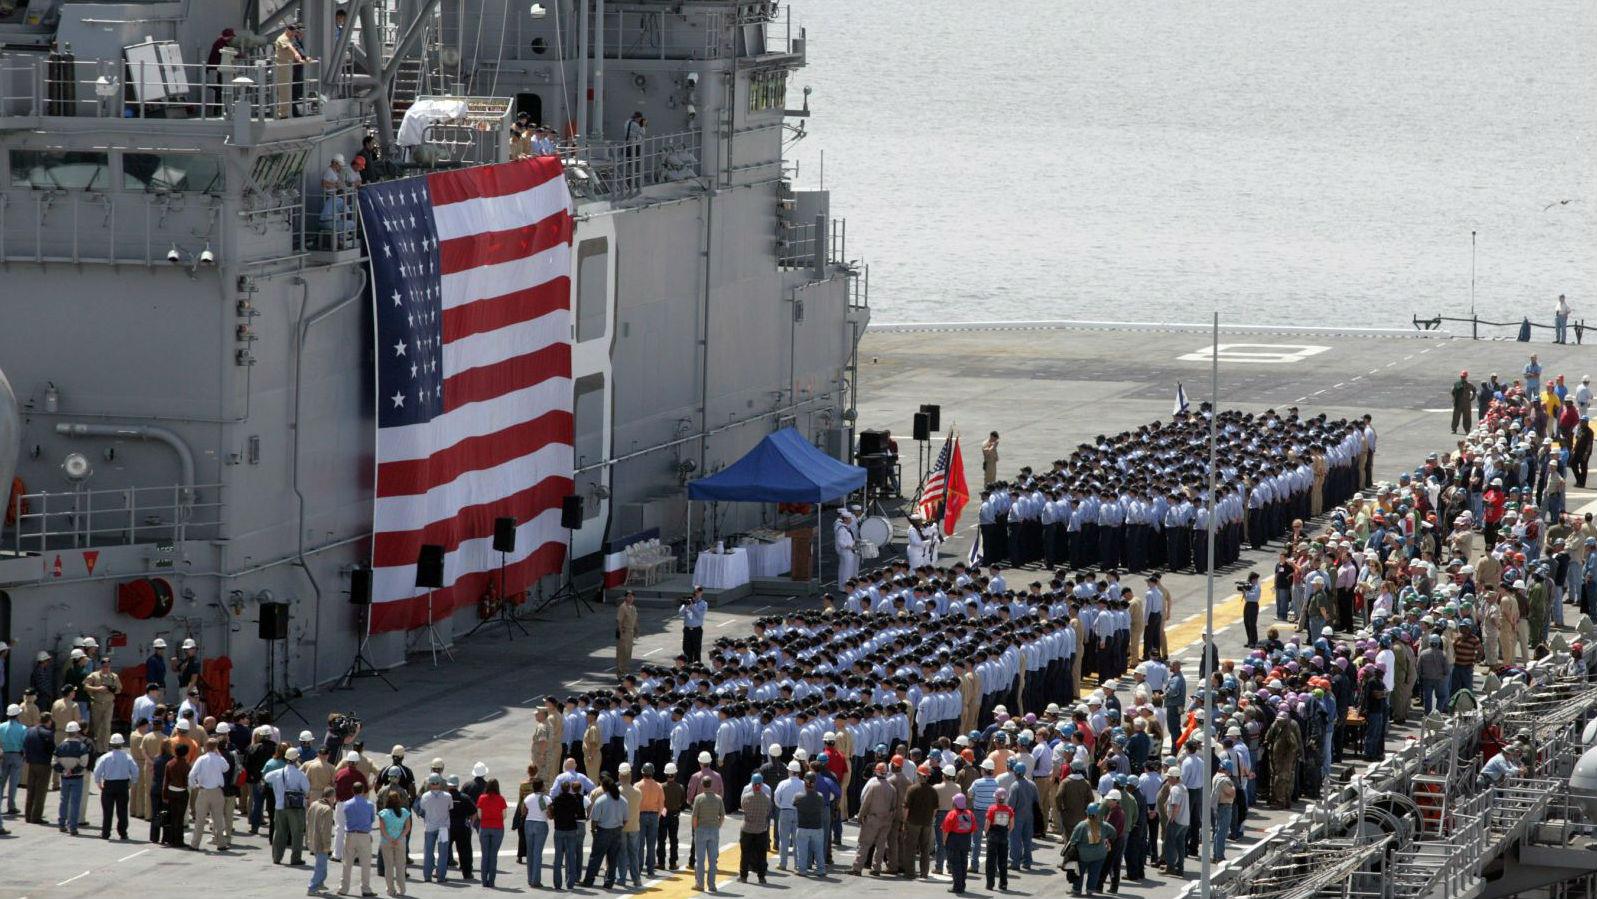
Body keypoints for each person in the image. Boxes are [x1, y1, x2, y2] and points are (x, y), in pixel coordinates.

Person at [265, 746, 311, 864]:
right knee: (297, 833)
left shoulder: (277, 773)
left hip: (280, 806)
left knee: (279, 833)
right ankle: (295, 858)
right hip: (295, 807)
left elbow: (266, 778)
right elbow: (307, 789)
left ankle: (277, 857)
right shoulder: (300, 774)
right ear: (296, 759)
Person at [582, 773, 627, 889]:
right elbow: (626, 819)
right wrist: (620, 827)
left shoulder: (600, 800)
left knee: (596, 857)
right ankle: (609, 882)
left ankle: (589, 880)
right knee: (612, 858)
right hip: (617, 831)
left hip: (603, 831)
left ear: (604, 787)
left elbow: (595, 819)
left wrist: (593, 830)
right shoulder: (622, 800)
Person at [93, 732, 139, 840]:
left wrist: (98, 782)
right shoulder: (127, 757)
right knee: (122, 810)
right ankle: (123, 833)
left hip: (109, 785)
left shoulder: (105, 757)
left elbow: (97, 771)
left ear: (111, 744)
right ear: (122, 744)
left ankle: (105, 833)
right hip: (123, 785)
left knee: (107, 811)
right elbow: (135, 771)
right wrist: (132, 782)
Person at [1066, 801, 1114, 896]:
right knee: (1094, 873)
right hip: (1100, 855)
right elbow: (1113, 833)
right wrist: (1105, 838)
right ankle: (1090, 890)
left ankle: (1076, 890)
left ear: (1087, 813)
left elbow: (1073, 840)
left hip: (1083, 855)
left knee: (1079, 872)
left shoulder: (1082, 825)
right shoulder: (1104, 825)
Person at [338, 781, 377, 897]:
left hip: (350, 834)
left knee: (347, 863)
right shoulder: (369, 804)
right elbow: (372, 819)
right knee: (365, 864)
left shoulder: (347, 804)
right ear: (363, 790)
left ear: (352, 791)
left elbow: (345, 816)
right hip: (364, 835)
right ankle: (365, 889)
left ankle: (343, 888)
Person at [52, 720, 90, 835]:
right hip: (77, 778)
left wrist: (64, 770)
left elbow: (54, 762)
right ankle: (73, 827)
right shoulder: (82, 747)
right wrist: (72, 771)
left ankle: (62, 824)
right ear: (77, 732)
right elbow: (84, 763)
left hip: (65, 778)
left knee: (63, 801)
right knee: (75, 802)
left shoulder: (60, 746)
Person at [551, 779, 590, 890]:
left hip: (559, 829)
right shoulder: (573, 799)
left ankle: (557, 884)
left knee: (558, 857)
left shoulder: (557, 800)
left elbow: (553, 813)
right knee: (571, 856)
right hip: (571, 829)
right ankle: (570, 882)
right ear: (569, 789)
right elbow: (577, 812)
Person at [691, 774, 725, 892]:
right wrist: (718, 826)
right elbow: (722, 815)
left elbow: (695, 816)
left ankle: (700, 884)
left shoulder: (698, 798)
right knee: (712, 859)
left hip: (701, 829)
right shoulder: (718, 798)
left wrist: (696, 829)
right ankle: (712, 885)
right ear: (711, 785)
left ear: (702, 784)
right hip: (714, 830)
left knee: (700, 859)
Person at [378, 788, 413, 896]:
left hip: (386, 841)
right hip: (400, 841)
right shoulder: (404, 812)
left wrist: (389, 839)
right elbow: (407, 827)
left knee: (388, 867)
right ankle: (402, 889)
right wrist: (399, 838)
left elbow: (382, 829)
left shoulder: (383, 813)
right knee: (400, 866)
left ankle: (390, 890)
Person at [739, 772, 773, 884]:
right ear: (761, 784)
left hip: (747, 828)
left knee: (745, 853)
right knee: (762, 854)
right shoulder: (767, 798)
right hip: (761, 829)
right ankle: (761, 877)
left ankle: (743, 876)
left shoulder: (747, 797)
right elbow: (768, 811)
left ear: (752, 784)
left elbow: (743, 807)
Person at [793, 773, 828, 877]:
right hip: (817, 826)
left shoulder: (799, 796)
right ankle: (821, 869)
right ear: (815, 783)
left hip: (803, 826)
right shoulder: (820, 796)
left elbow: (794, 803)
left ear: (805, 782)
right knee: (818, 850)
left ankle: (802, 870)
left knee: (802, 850)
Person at [477, 778, 509, 887]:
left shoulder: (482, 798)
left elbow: (480, 816)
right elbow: (504, 815)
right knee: (493, 855)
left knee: (485, 854)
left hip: (485, 827)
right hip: (497, 828)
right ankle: (491, 880)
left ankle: (483, 881)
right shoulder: (501, 799)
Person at [942, 793, 977, 893]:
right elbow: (974, 829)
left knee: (955, 863)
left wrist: (944, 841)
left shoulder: (952, 814)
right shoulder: (970, 814)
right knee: (963, 862)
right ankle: (962, 884)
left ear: (955, 803)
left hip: (954, 840)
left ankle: (957, 886)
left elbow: (946, 830)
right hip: (966, 840)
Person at [273, 23, 310, 118]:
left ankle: (286, 112)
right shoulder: (283, 38)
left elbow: (292, 47)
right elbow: (290, 47)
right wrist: (297, 55)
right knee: (284, 91)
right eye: (293, 31)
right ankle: (283, 114)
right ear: (288, 30)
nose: (295, 33)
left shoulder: (290, 38)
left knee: (289, 91)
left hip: (288, 67)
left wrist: (299, 58)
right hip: (283, 67)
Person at [522, 776, 551, 887]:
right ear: (541, 787)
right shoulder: (546, 799)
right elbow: (548, 814)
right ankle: (536, 880)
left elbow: (524, 812)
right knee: (537, 853)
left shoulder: (528, 798)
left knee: (530, 852)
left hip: (529, 823)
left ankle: (530, 879)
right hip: (541, 824)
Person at [307, 787, 338, 893]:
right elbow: (326, 830)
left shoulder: (314, 804)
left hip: (312, 839)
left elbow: (308, 820)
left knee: (322, 866)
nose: (335, 799)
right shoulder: (327, 810)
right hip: (321, 843)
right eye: (334, 797)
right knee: (320, 867)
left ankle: (320, 883)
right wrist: (327, 846)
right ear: (331, 797)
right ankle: (312, 887)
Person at [984, 787, 1014, 892]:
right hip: (1003, 835)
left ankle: (990, 884)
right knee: (1003, 861)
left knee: (990, 861)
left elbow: (987, 823)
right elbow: (1012, 825)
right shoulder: (1009, 810)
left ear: (996, 798)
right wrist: (1006, 832)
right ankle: (1003, 884)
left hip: (993, 834)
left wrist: (986, 833)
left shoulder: (992, 808)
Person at [680, 588, 708, 663]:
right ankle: (687, 665)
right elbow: (680, 614)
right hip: (687, 629)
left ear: (701, 593)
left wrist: (692, 606)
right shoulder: (688, 601)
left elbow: (700, 616)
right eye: (695, 592)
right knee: (686, 649)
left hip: (696, 630)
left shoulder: (703, 604)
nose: (697, 593)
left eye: (699, 592)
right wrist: (686, 606)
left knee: (696, 650)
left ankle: (697, 667)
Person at [616, 591, 639, 677]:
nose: (630, 598)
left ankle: (625, 671)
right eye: (629, 596)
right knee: (622, 653)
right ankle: (620, 673)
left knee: (628, 653)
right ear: (625, 597)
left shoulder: (633, 608)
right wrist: (621, 634)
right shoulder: (623, 607)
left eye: (632, 596)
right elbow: (619, 621)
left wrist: (637, 631)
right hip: (624, 632)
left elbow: (635, 620)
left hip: (630, 632)